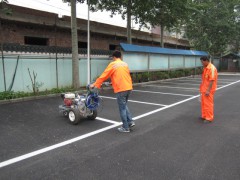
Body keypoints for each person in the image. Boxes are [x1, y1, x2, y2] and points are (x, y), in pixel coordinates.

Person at [90, 50, 135, 132]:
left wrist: (95, 84)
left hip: (121, 89)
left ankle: (125, 127)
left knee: (122, 108)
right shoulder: (125, 64)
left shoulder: (113, 64)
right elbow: (124, 75)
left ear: (114, 57)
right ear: (120, 57)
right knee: (124, 105)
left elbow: (104, 75)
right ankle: (130, 122)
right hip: (129, 87)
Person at [199, 56, 218, 123]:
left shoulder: (211, 68)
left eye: (202, 62)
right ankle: (204, 116)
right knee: (204, 103)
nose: (202, 63)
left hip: (208, 90)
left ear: (206, 61)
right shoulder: (205, 68)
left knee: (208, 104)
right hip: (204, 89)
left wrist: (208, 90)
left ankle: (209, 118)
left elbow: (212, 80)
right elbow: (205, 79)